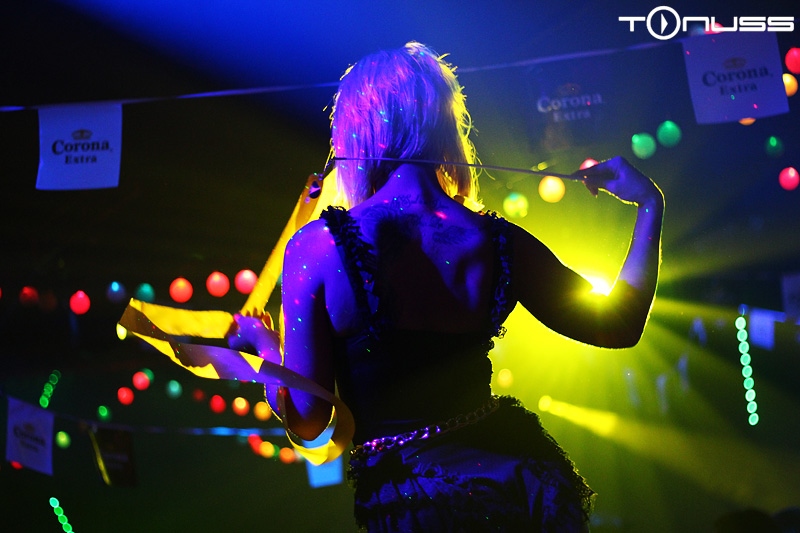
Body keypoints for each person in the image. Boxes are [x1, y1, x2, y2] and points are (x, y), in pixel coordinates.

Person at [229, 42, 664, 532]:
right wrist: (650, 206)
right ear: (445, 126)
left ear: (356, 132)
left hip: (418, 506)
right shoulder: (498, 240)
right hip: (518, 486)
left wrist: (264, 348)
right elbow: (619, 325)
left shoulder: (318, 248)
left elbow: (308, 420)